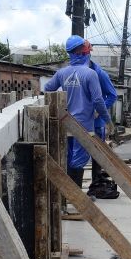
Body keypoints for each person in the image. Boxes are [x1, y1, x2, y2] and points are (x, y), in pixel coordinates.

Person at [44, 35, 112, 197]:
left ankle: (67, 197)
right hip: (83, 127)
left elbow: (48, 88)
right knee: (79, 160)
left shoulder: (62, 73)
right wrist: (107, 120)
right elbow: (98, 100)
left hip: (66, 123)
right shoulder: (90, 74)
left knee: (67, 158)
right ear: (84, 52)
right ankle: (75, 199)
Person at [80, 39, 119, 199]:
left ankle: (96, 184)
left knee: (97, 155)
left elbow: (112, 95)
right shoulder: (74, 72)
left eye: (82, 53)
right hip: (79, 121)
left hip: (96, 123)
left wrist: (98, 110)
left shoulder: (99, 73)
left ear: (88, 54)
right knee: (77, 155)